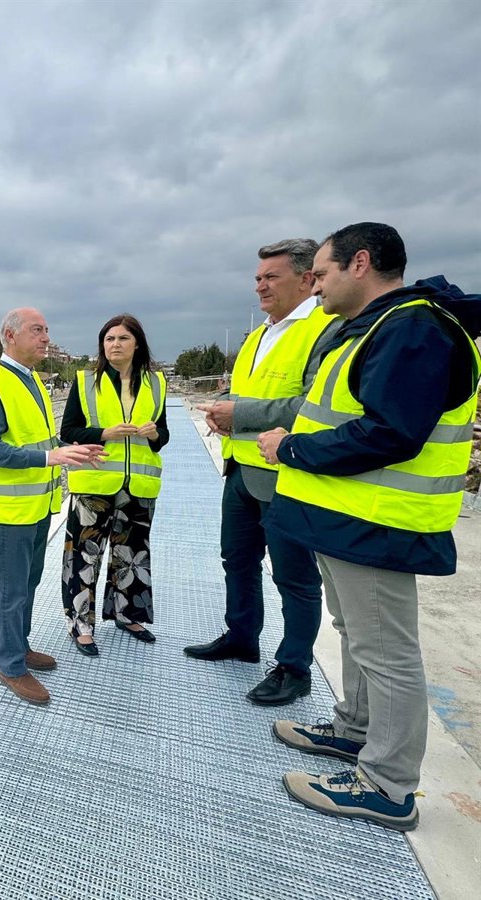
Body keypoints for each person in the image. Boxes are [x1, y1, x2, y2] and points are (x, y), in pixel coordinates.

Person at [258, 223, 480, 831]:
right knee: (357, 635)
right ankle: (354, 730)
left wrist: (292, 448)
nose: (315, 286)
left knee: (387, 653)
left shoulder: (412, 330)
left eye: (321, 274)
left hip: (378, 522)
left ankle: (387, 782)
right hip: (346, 518)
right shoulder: (378, 327)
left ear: (360, 264)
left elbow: (391, 433)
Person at [186, 239, 342, 707]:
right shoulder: (259, 335)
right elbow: (245, 393)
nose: (260, 286)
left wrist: (240, 414)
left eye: (271, 277)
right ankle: (241, 637)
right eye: (257, 278)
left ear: (307, 278)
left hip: (286, 476)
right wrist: (223, 412)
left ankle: (294, 668)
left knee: (294, 577)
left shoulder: (325, 328)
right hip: (241, 471)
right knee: (237, 560)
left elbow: (314, 405)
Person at [0, 307, 107, 705]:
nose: (46, 337)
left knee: (28, 583)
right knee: (10, 589)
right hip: (11, 511)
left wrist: (70, 449)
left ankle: (21, 646)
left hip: (35, 506)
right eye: (37, 330)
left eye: (46, 330)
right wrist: (50, 459)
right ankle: (11, 666)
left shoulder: (31, 380)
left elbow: (39, 440)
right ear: (11, 336)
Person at [60, 314, 168, 655]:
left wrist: (155, 435)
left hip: (139, 486)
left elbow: (163, 434)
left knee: (132, 554)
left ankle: (127, 614)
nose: (115, 345)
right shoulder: (85, 381)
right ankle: (80, 624)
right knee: (84, 556)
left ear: (137, 344)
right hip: (94, 485)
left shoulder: (156, 383)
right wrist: (105, 433)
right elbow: (68, 432)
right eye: (109, 339)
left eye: (123, 338)